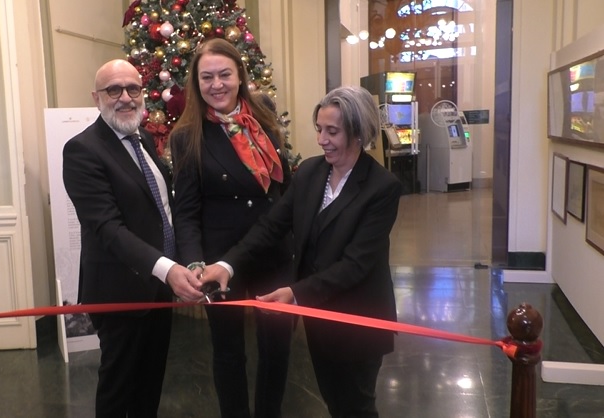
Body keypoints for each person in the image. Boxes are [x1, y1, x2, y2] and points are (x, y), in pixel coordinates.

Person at [201, 85, 402, 417]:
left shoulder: (382, 187)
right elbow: (271, 226)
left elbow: (355, 264)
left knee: (356, 406)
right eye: (319, 129)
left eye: (332, 131)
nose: (322, 139)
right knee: (334, 400)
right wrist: (227, 265)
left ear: (358, 133)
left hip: (359, 322)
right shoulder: (310, 172)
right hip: (319, 318)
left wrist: (295, 293)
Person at [62, 59, 205, 418]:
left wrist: (179, 264)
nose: (125, 97)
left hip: (156, 289)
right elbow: (107, 228)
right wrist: (167, 268)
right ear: (96, 97)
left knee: (149, 383)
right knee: (119, 388)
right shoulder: (82, 150)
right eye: (114, 90)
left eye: (133, 88)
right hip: (119, 291)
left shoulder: (143, 141)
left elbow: (161, 211)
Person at [169, 38, 295, 418]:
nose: (216, 84)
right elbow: (186, 212)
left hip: (272, 253)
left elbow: (282, 189)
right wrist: (194, 264)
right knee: (228, 352)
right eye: (206, 77)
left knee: (277, 348)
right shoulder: (187, 135)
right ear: (197, 83)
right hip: (219, 263)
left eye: (224, 74)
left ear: (240, 74)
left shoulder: (264, 115)